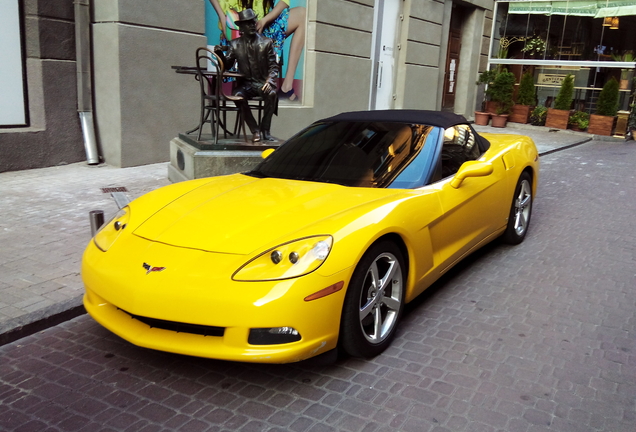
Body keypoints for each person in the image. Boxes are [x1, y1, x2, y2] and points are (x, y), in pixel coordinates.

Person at [208, 0, 305, 101]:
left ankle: (286, 88)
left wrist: (265, 20)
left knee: (302, 15)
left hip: (261, 28)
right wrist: (221, 16)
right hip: (234, 32)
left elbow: (284, 1)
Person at [215, 9, 278, 143]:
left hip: (261, 83)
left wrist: (270, 80)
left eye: (253, 22)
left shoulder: (267, 43)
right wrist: (220, 55)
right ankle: (255, 130)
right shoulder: (235, 44)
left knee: (271, 94)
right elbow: (227, 65)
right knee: (238, 97)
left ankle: (265, 130)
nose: (251, 25)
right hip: (245, 85)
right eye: (248, 23)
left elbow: (273, 66)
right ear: (241, 27)